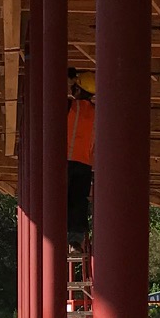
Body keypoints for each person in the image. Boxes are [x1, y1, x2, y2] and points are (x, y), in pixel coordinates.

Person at [64, 68, 96, 246]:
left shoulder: (70, 106)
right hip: (84, 163)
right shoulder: (96, 112)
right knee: (78, 201)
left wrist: (68, 78)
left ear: (77, 89)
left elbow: (50, 95)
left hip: (65, 161)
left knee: (60, 197)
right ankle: (75, 240)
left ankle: (56, 232)